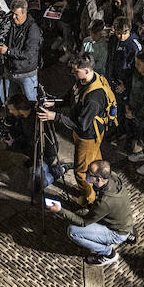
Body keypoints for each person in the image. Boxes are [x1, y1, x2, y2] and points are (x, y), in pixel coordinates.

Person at [40, 52, 116, 206]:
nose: (72, 73)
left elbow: (81, 124)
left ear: (87, 70)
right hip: (87, 132)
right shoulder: (82, 81)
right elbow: (71, 97)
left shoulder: (94, 97)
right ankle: (97, 189)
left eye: (76, 71)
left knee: (81, 172)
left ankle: (89, 199)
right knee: (95, 161)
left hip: (87, 136)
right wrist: (55, 103)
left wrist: (55, 116)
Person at [47, 159, 135, 266]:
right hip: (124, 221)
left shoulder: (105, 202)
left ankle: (108, 253)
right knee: (83, 212)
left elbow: (83, 222)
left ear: (99, 179)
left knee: (73, 231)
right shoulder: (112, 177)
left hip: (116, 232)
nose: (86, 173)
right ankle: (128, 232)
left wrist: (60, 210)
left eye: (90, 173)